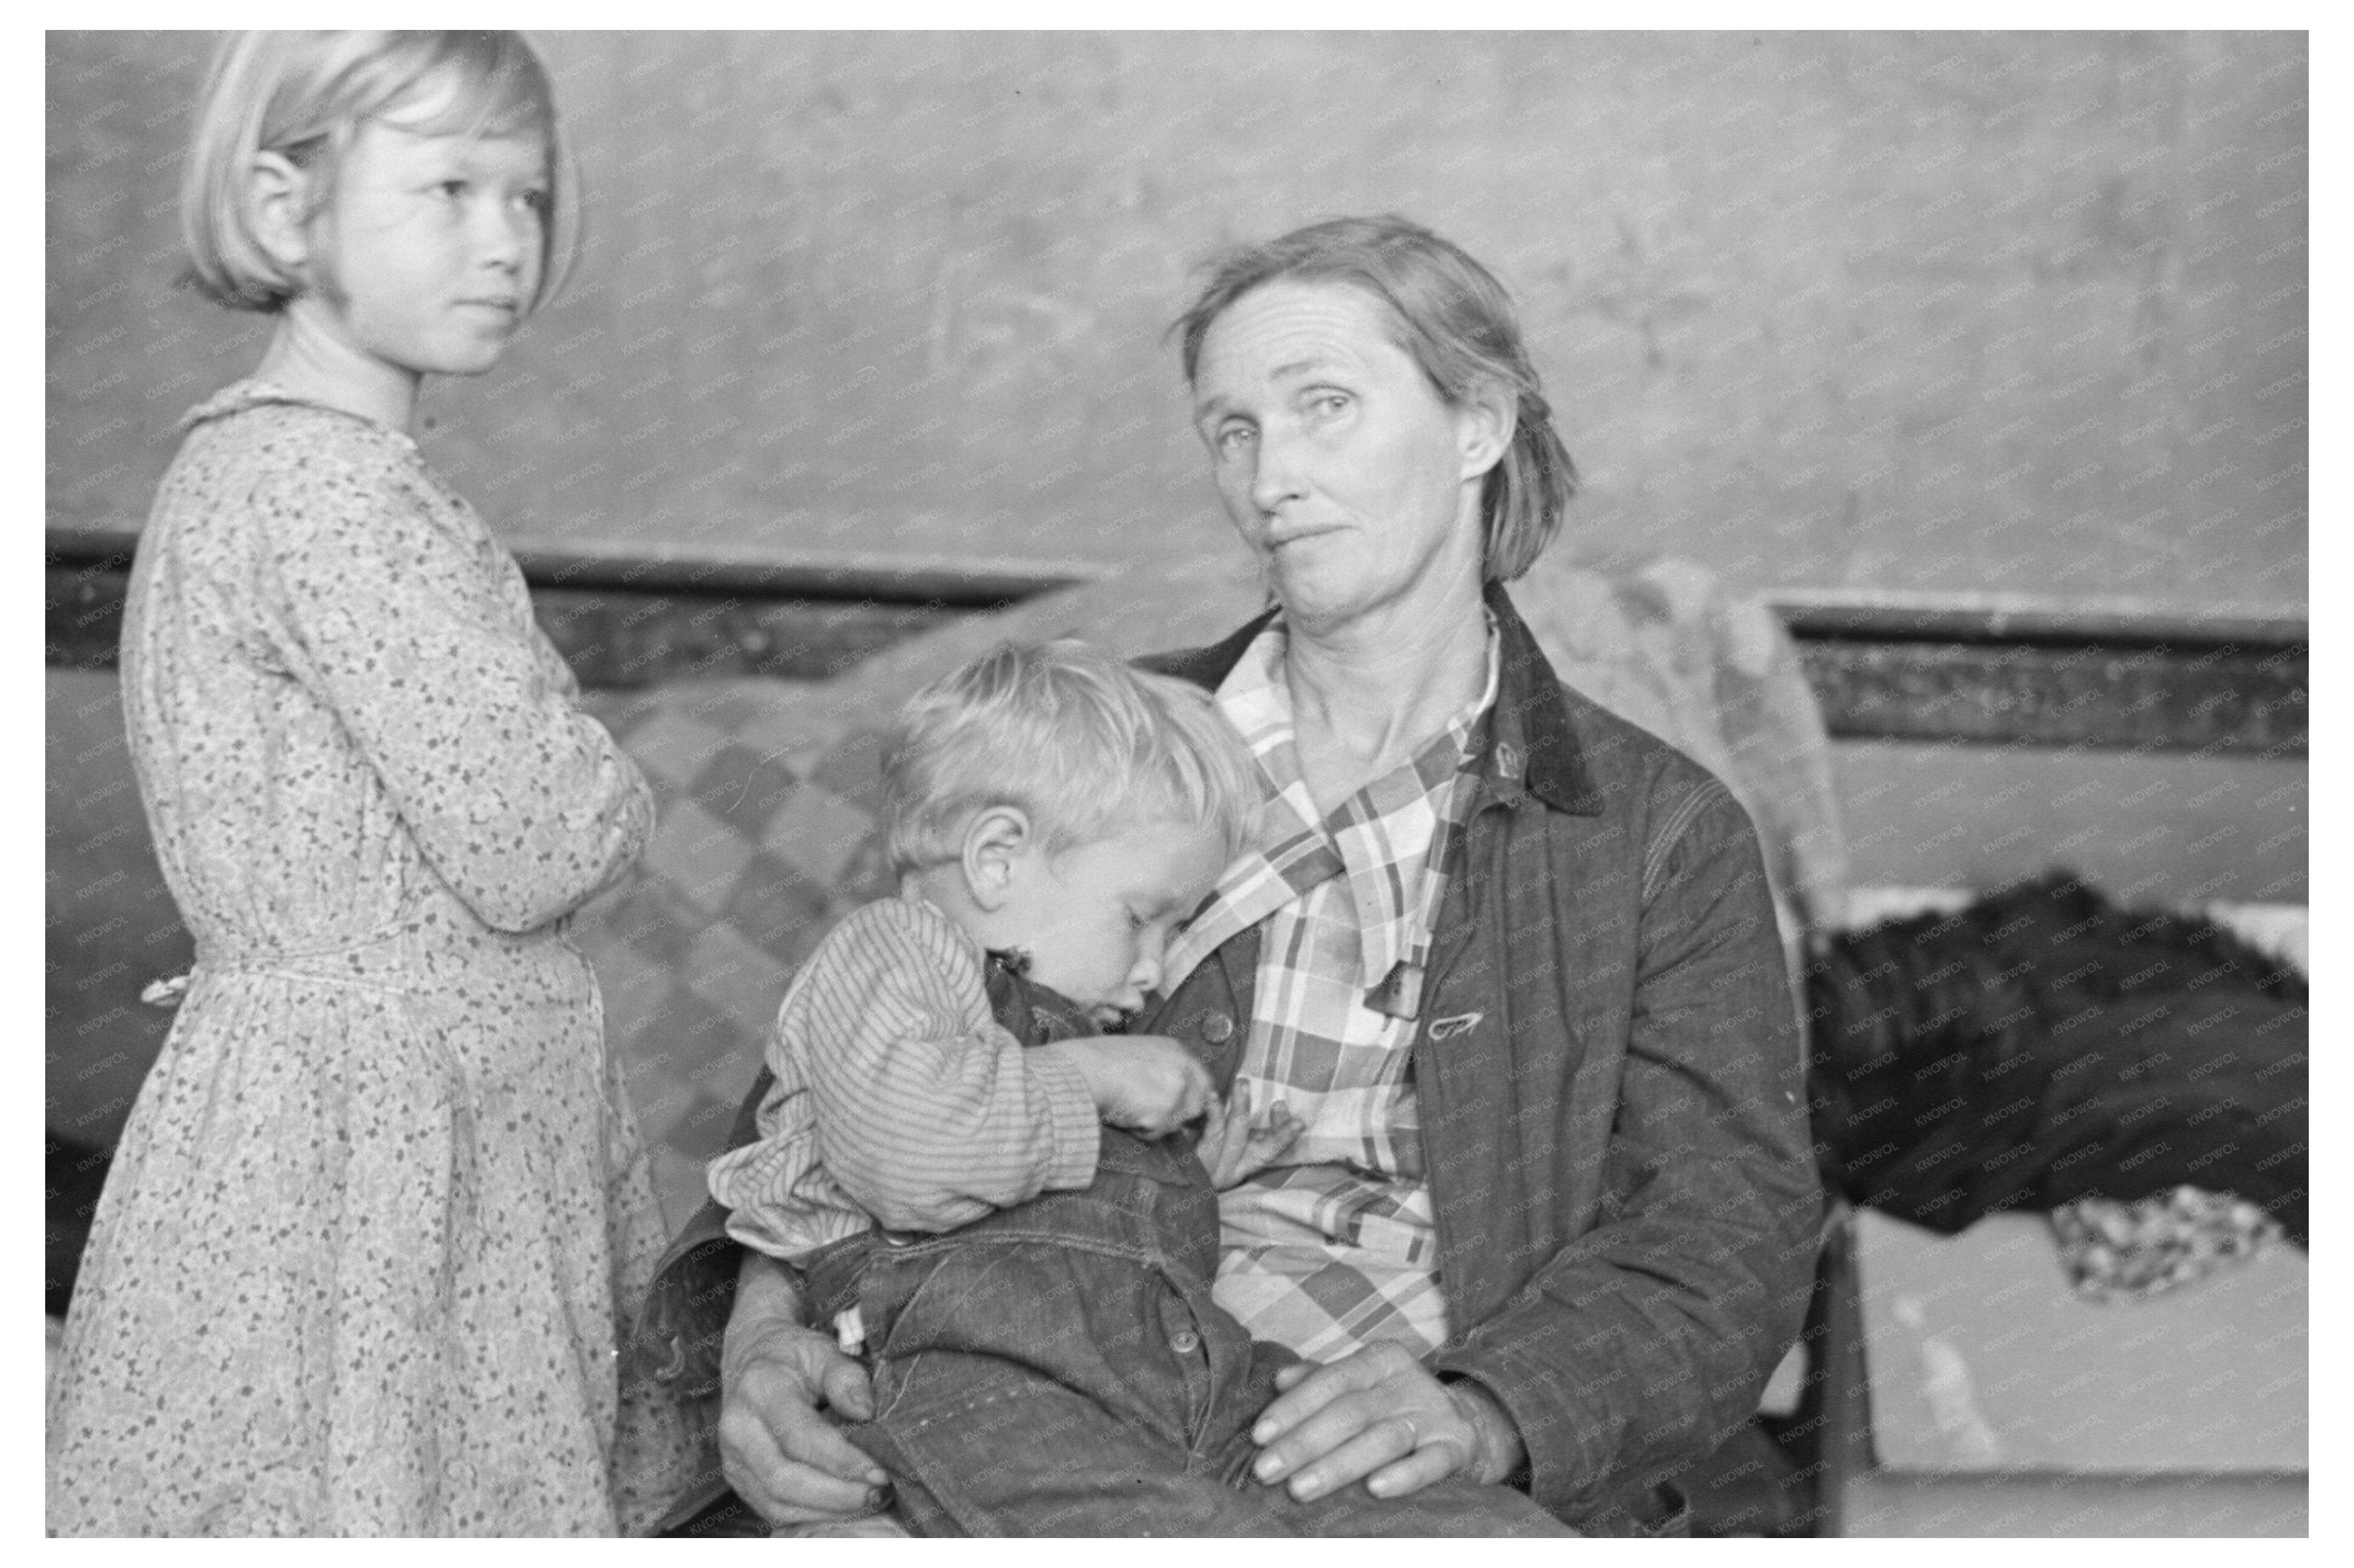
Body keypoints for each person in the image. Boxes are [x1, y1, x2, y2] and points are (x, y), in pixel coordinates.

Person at [645, 214, 1821, 1536]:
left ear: (1477, 424)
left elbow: (1726, 1240)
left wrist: (1488, 1405)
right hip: (1027, 1380)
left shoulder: (1652, 831)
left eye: (1325, 407)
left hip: (1366, 1436)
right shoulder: (1088, 744)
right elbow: (831, 1080)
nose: (1271, 478)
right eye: (1233, 430)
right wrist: (758, 1345)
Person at [48, 31, 698, 1535]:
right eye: (451, 189)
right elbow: (541, 838)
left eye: (526, 198)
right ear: (286, 212)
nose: (505, 243)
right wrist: (614, 784)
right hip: (386, 1130)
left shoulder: (284, 470)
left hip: (374, 1100)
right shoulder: (335, 494)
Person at [701, 639, 1568, 1535]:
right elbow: (909, 1155)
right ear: (997, 857)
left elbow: (1058, 1192)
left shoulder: (1048, 1013)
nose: (1155, 970)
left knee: (1465, 1526)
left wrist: (1186, 1175)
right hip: (981, 1386)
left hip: (1176, 1379)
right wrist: (1092, 1078)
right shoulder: (895, 952)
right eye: (1140, 919)